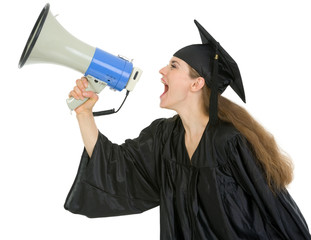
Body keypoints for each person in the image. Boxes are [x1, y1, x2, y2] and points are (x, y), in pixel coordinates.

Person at [64, 20, 311, 239]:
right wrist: (84, 114)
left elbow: (277, 213)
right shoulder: (164, 137)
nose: (162, 70)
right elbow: (115, 167)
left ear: (197, 83)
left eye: (173, 65)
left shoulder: (231, 143)